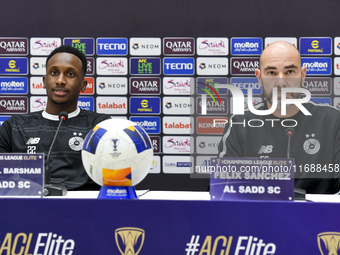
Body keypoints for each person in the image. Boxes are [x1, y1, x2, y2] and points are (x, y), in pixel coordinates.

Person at [218, 41, 340, 194]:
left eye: (289, 72)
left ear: (303, 74)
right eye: (271, 73)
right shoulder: (239, 124)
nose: (281, 82)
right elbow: (223, 190)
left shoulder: (334, 121)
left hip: (319, 217)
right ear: (259, 77)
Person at [0, 45, 111, 190]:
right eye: (54, 72)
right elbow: (3, 180)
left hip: (85, 210)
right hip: (30, 209)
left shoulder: (100, 126)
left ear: (83, 85)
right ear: (44, 81)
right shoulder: (14, 127)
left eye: (70, 74)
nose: (60, 80)